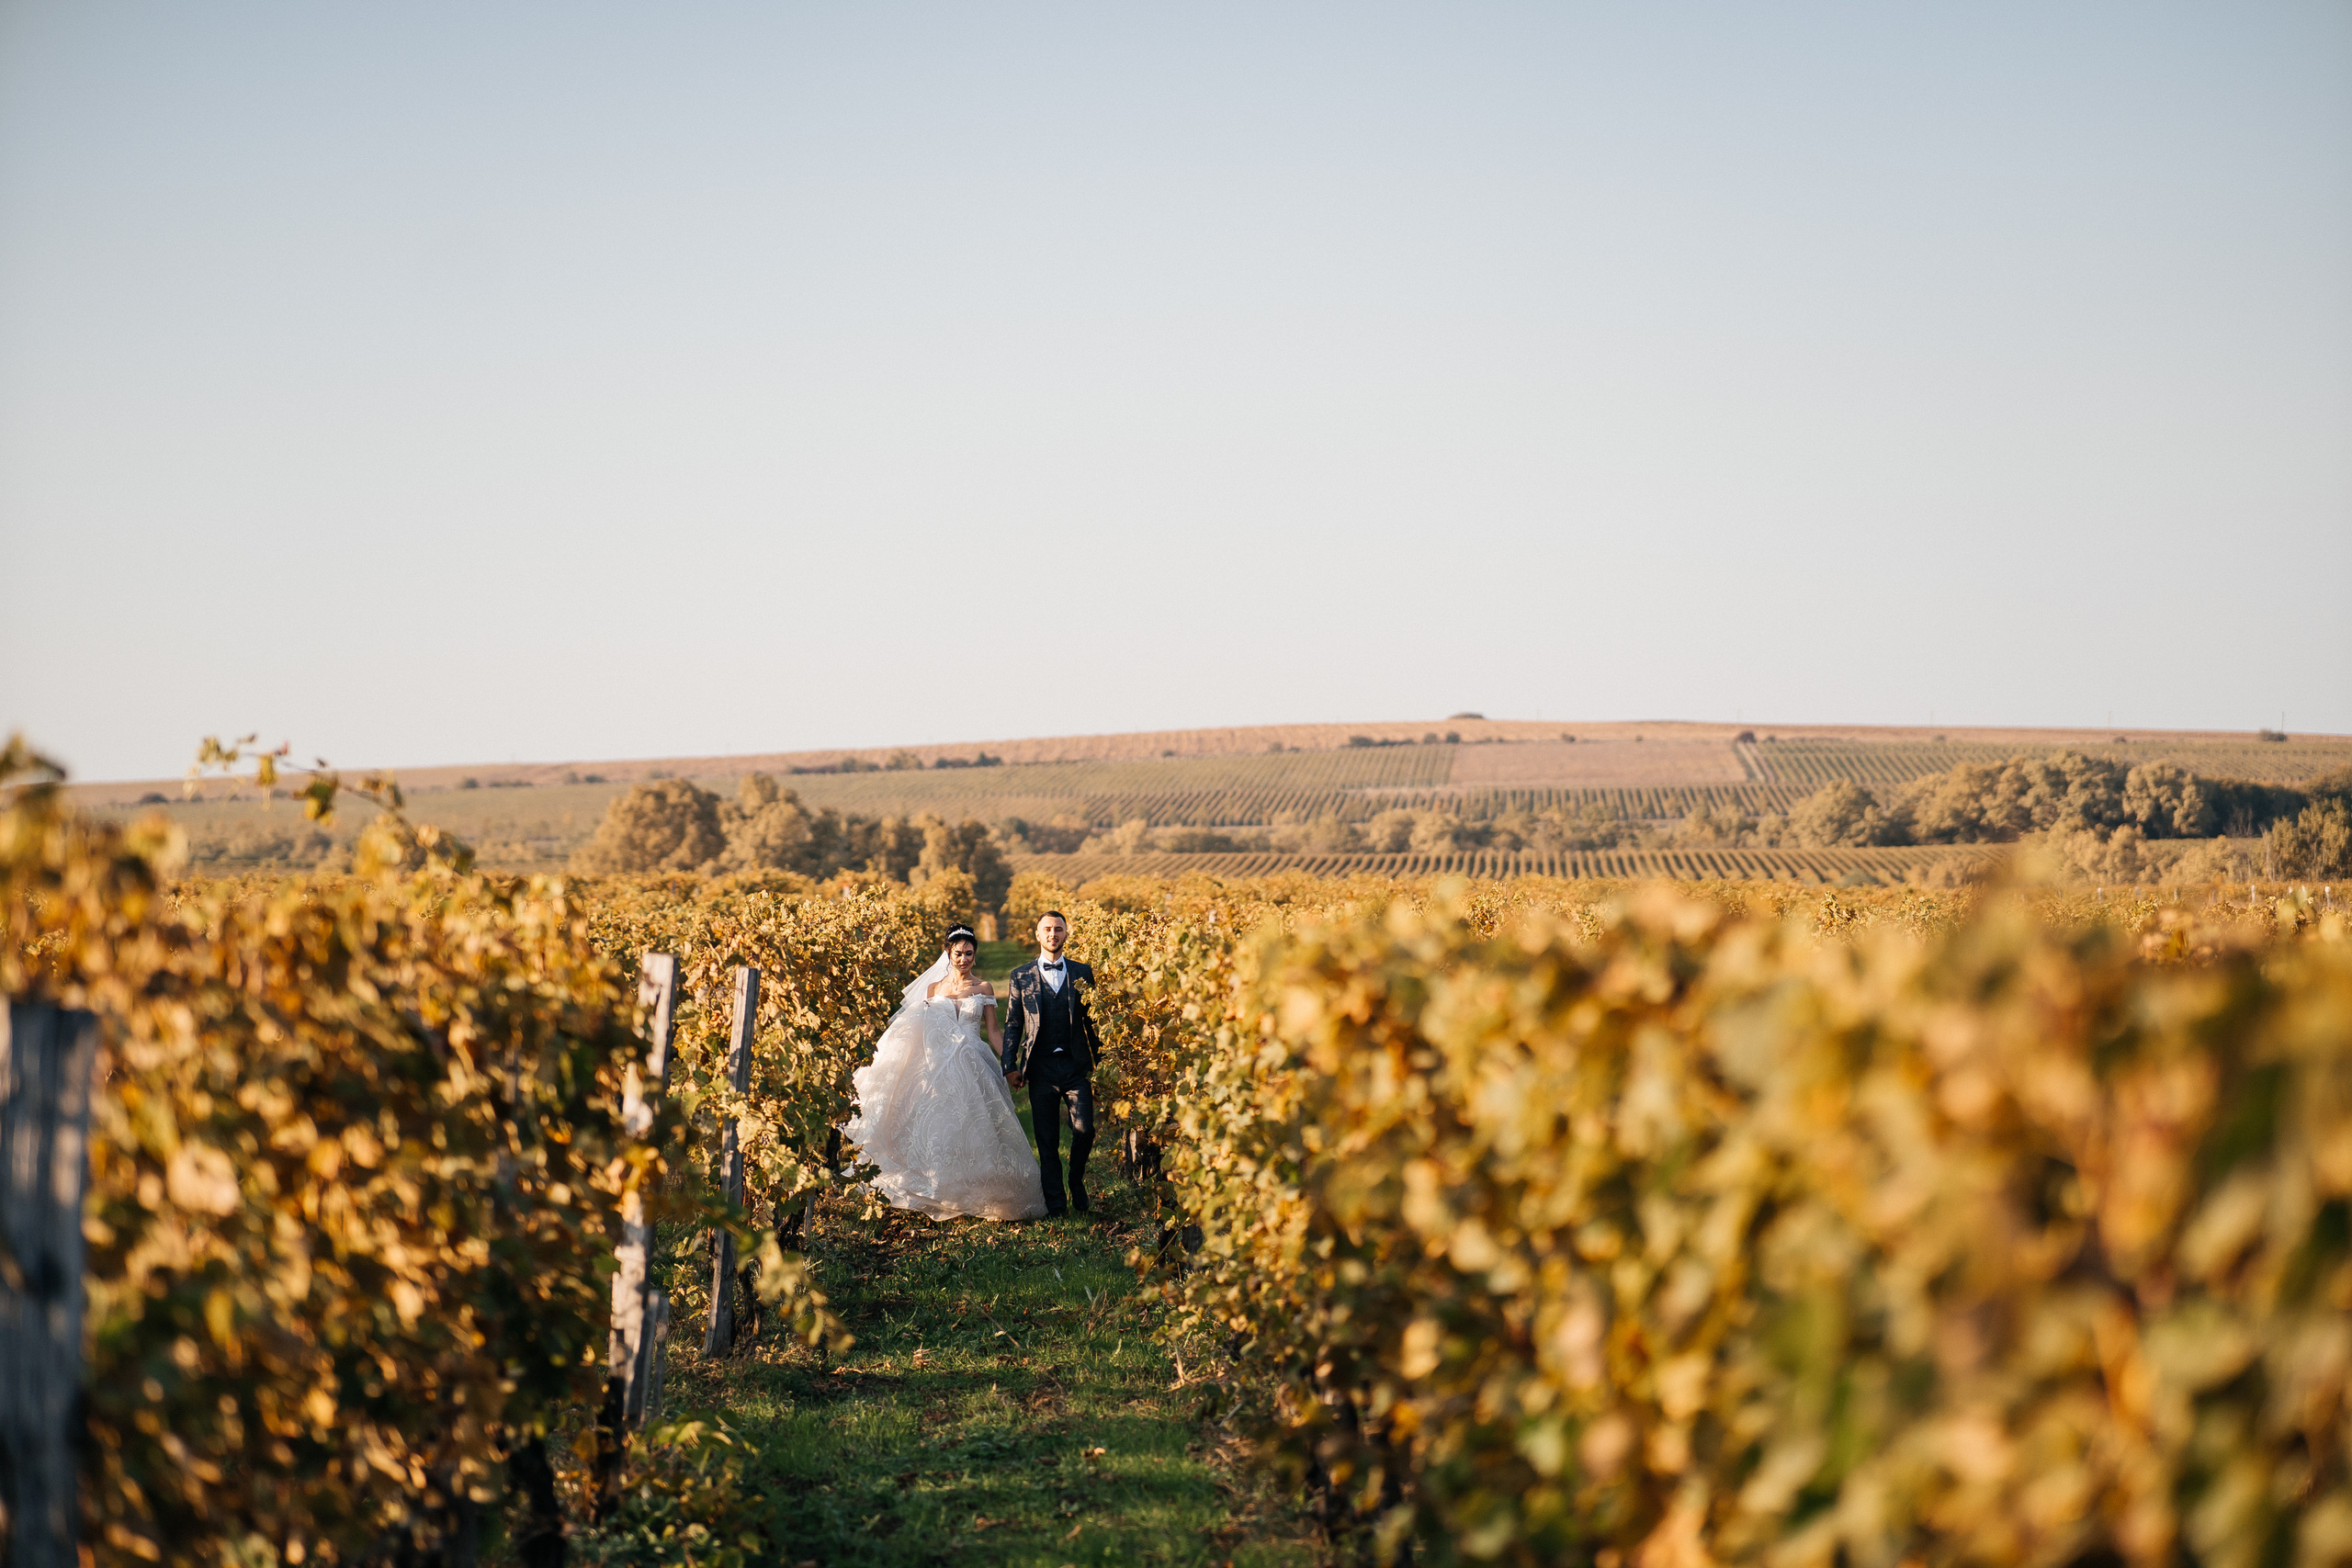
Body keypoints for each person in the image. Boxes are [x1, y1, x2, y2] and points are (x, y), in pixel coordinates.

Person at [842, 925, 1047, 1222]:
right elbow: (919, 1030)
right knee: (939, 1127)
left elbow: (992, 1031)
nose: (963, 959)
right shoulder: (933, 989)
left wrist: (1009, 1066)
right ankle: (942, 1190)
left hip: (973, 1059)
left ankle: (976, 1190)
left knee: (975, 1126)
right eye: (958, 954)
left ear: (975, 956)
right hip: (937, 1064)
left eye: (968, 954)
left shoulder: (984, 988)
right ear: (948, 955)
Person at [1001, 910, 1104, 1216]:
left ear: (1066, 934)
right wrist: (1010, 1064)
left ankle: (1075, 1179)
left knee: (1085, 1130)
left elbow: (1093, 1024)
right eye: (1047, 929)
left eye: (1058, 929)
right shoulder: (1020, 976)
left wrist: (1103, 1065)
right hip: (1041, 1068)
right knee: (1047, 1140)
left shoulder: (1083, 972)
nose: (1052, 934)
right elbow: (1013, 1022)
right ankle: (1056, 1205)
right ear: (1037, 934)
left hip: (1076, 1067)